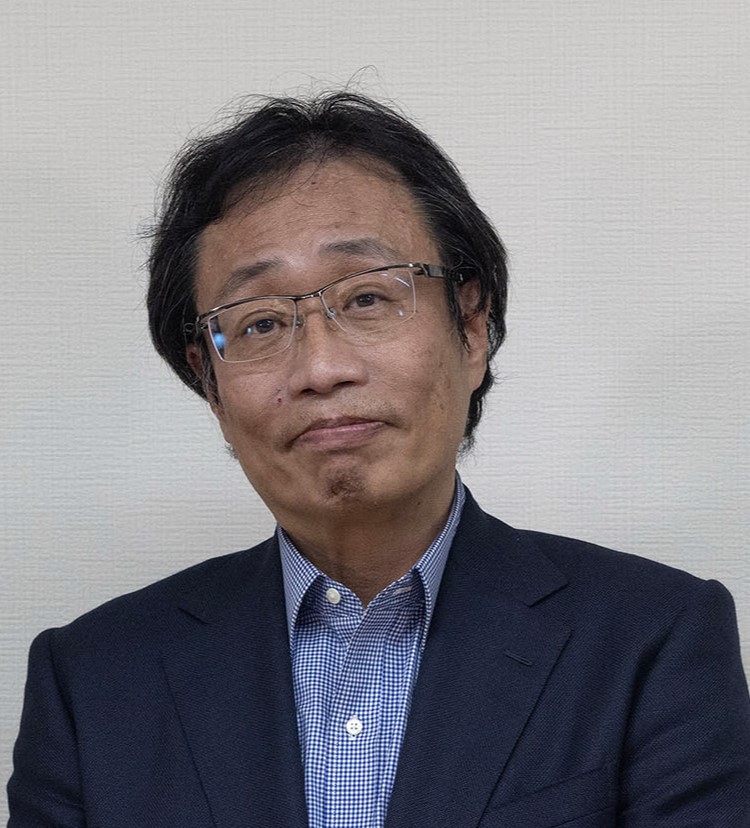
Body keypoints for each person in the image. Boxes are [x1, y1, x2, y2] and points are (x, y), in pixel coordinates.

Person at [7, 92, 750, 828]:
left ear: (471, 328)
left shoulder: (652, 641)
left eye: (367, 299)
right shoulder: (93, 683)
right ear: (210, 384)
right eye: (259, 322)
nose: (321, 368)